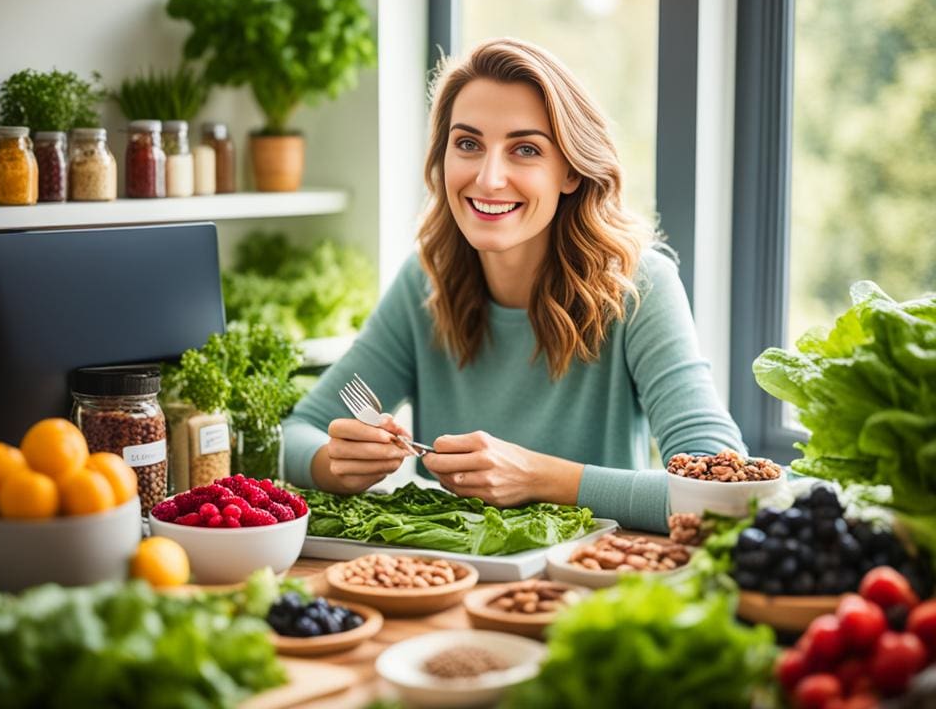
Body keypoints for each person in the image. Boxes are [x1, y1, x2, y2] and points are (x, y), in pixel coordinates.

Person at [283, 37, 745, 533]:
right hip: (450, 583)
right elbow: (294, 434)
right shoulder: (425, 280)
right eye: (468, 144)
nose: (489, 177)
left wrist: (541, 478)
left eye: (525, 149)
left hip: (591, 585)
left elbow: (726, 496)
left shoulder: (638, 284)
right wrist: (337, 464)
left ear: (569, 170)